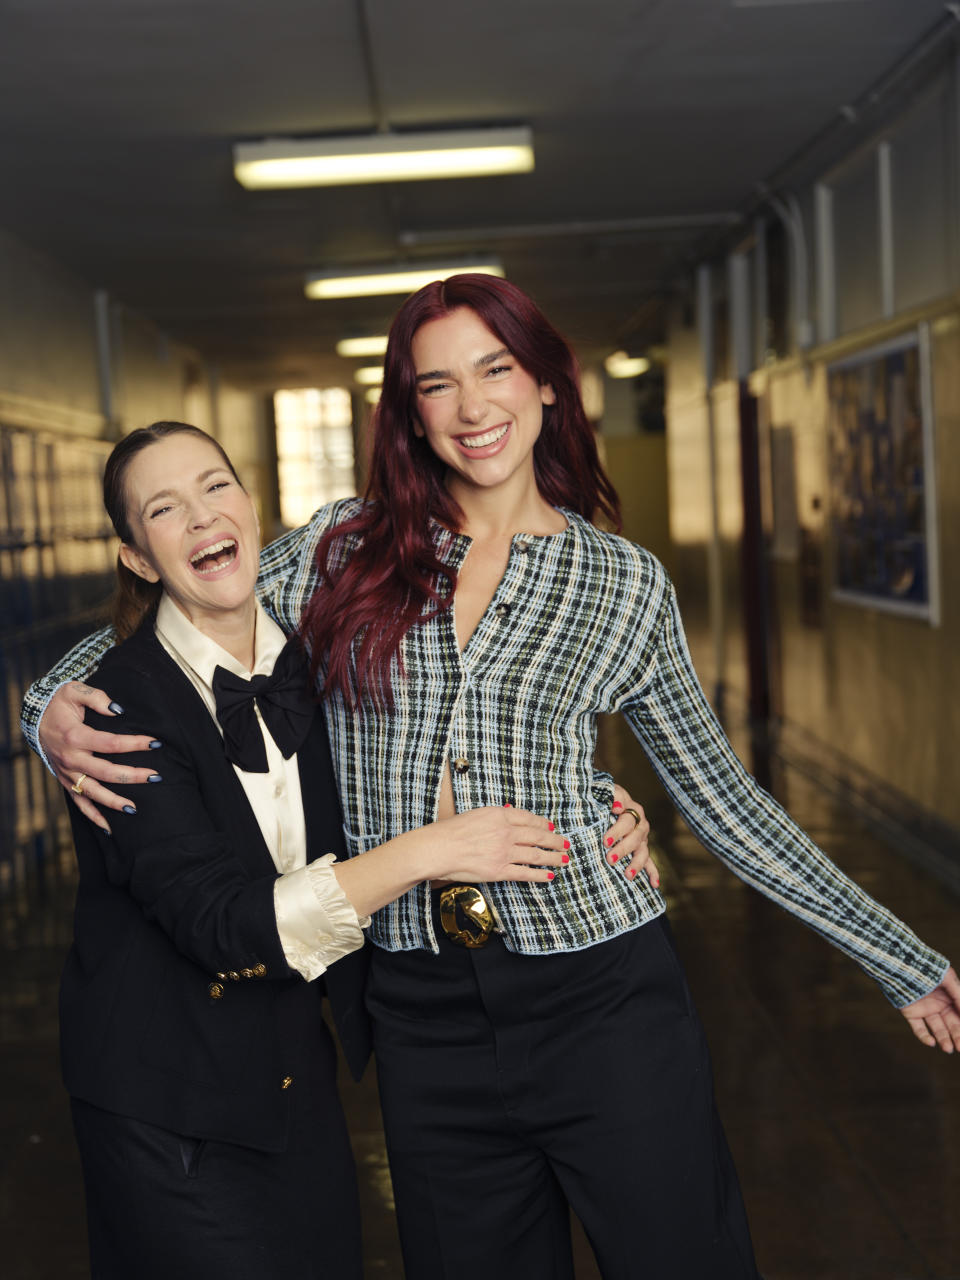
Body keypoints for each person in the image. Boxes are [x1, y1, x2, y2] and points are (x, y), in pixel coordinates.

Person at [22, 276, 960, 1280]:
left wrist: (898, 955)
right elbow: (163, 628)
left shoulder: (625, 584)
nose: (473, 408)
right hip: (422, 1015)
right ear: (410, 412)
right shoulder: (348, 547)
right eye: (437, 384)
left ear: (548, 383)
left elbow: (725, 800)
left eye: (495, 369)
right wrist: (46, 712)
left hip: (602, 995)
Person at [52, 419, 636, 1280]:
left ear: (252, 508)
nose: (202, 516)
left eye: (216, 486)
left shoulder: (320, 664)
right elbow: (223, 925)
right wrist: (435, 850)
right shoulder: (120, 709)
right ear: (139, 557)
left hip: (294, 1081)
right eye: (164, 509)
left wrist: (599, 805)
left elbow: (421, 754)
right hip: (167, 1103)